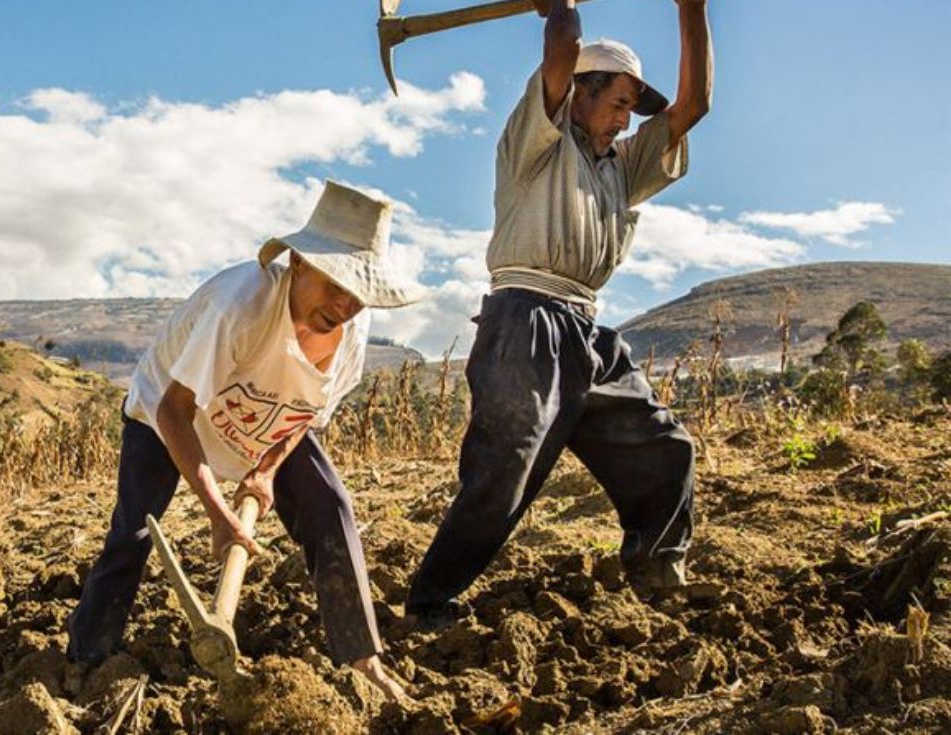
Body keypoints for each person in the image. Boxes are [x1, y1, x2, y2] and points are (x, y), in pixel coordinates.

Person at [406, 0, 714, 629]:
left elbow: (692, 109)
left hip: (587, 330)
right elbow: (561, 46)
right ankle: (429, 603)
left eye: (631, 108)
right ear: (579, 92)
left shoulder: (619, 168)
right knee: (506, 469)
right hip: (525, 320)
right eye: (618, 103)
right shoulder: (537, 141)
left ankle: (656, 575)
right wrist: (563, 7)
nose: (626, 122)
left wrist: (693, 9)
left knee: (665, 448)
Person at [67, 181, 422, 699]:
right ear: (298, 263)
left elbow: (306, 413)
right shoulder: (240, 306)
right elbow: (174, 410)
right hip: (167, 414)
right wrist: (217, 513)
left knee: (331, 506)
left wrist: (266, 471)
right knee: (133, 532)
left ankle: (363, 659)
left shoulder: (352, 333)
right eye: (334, 283)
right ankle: (87, 661)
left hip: (262, 425)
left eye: (358, 292)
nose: (345, 303)